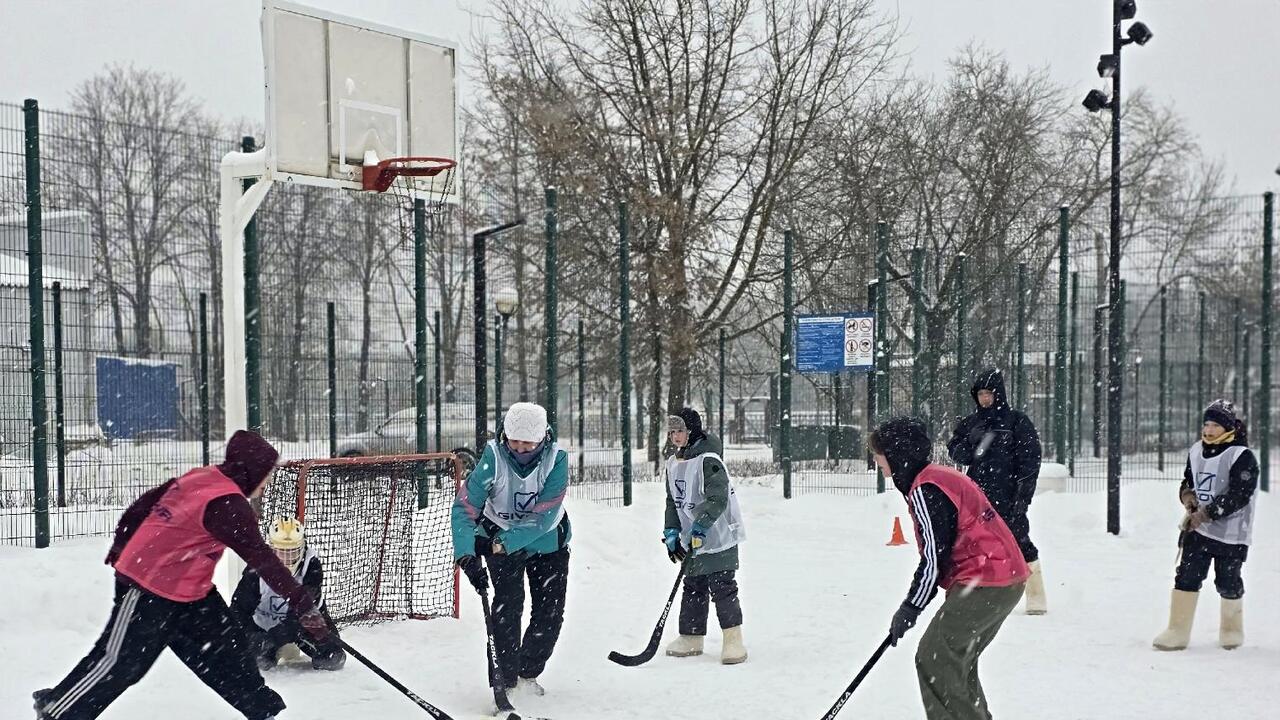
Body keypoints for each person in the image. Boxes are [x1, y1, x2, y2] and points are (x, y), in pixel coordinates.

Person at [34, 430, 331, 720]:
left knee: (229, 651)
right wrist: (303, 604)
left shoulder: (205, 477)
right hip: (147, 586)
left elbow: (146, 502)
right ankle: (58, 710)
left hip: (191, 590)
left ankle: (263, 712)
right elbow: (262, 558)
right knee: (122, 662)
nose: (266, 483)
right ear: (252, 470)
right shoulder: (228, 504)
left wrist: (122, 543)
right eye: (267, 474)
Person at [872, 417, 1029, 720]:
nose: (876, 460)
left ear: (896, 454)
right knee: (956, 661)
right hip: (1004, 577)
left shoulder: (926, 488)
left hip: (987, 580)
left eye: (880, 453)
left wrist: (910, 607)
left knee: (935, 659)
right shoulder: (936, 477)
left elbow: (935, 558)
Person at [451, 401, 571, 701]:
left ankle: (528, 672)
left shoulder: (556, 459)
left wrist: (499, 544)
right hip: (499, 535)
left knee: (550, 611)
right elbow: (465, 507)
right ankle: (505, 681)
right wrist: (466, 554)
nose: (519, 448)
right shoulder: (493, 456)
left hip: (546, 542)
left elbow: (544, 516)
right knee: (507, 606)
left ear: (542, 438)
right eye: (514, 441)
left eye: (528, 443)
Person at [1153, 399, 1259, 651]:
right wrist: (1188, 497)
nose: (1209, 430)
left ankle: (1231, 630)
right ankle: (1177, 631)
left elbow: (1240, 494)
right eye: (1206, 424)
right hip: (1198, 529)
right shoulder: (1196, 450)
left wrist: (1209, 512)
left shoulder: (1242, 456)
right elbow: (1188, 480)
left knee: (1227, 582)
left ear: (1228, 428)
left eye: (1215, 426)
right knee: (1186, 576)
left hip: (1231, 535)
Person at [947, 368, 1047, 615]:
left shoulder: (1016, 422)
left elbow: (1030, 460)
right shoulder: (971, 423)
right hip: (977, 496)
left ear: (998, 394)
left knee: (1019, 541)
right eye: (980, 394)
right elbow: (957, 453)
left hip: (1009, 495)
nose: (984, 399)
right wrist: (970, 441)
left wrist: (1023, 495)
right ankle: (981, 592)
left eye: (988, 394)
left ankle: (1036, 595)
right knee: (976, 544)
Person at [663, 407, 748, 665]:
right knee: (693, 586)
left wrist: (701, 526)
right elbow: (672, 500)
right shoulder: (673, 463)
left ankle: (733, 640)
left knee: (722, 587)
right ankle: (691, 637)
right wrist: (671, 530)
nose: (675, 436)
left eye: (680, 430)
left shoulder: (709, 460)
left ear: (692, 431)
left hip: (717, 535)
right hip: (693, 538)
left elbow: (718, 499)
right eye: (672, 432)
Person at [231, 517, 346, 671]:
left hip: (303, 623)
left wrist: (278, 636)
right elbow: (238, 610)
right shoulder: (256, 569)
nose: (286, 559)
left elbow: (304, 611)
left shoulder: (311, 566)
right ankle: (273, 651)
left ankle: (288, 647)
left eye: (292, 552)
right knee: (258, 660)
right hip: (264, 627)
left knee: (333, 657)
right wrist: (255, 636)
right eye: (281, 552)